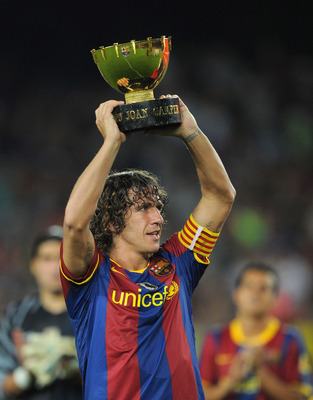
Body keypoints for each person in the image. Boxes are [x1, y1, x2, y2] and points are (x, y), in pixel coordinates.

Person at [59, 94, 236, 400]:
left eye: (158, 208)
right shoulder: (90, 276)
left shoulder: (178, 262)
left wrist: (190, 132)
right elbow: (75, 223)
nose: (157, 218)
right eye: (143, 208)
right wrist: (112, 142)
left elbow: (221, 196)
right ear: (113, 223)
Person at [199, 262, 313, 400]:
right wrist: (230, 382)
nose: (255, 294)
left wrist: (260, 371)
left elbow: (303, 397)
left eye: (263, 288)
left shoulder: (290, 339)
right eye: (249, 286)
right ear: (236, 294)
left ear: (275, 299)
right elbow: (199, 395)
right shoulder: (215, 338)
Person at [0, 226, 83, 400]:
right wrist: (26, 374)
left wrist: (73, 370)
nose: (54, 267)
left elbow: (111, 380)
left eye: (61, 258)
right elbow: (3, 385)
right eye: (46, 258)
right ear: (33, 265)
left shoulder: (87, 314)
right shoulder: (16, 315)